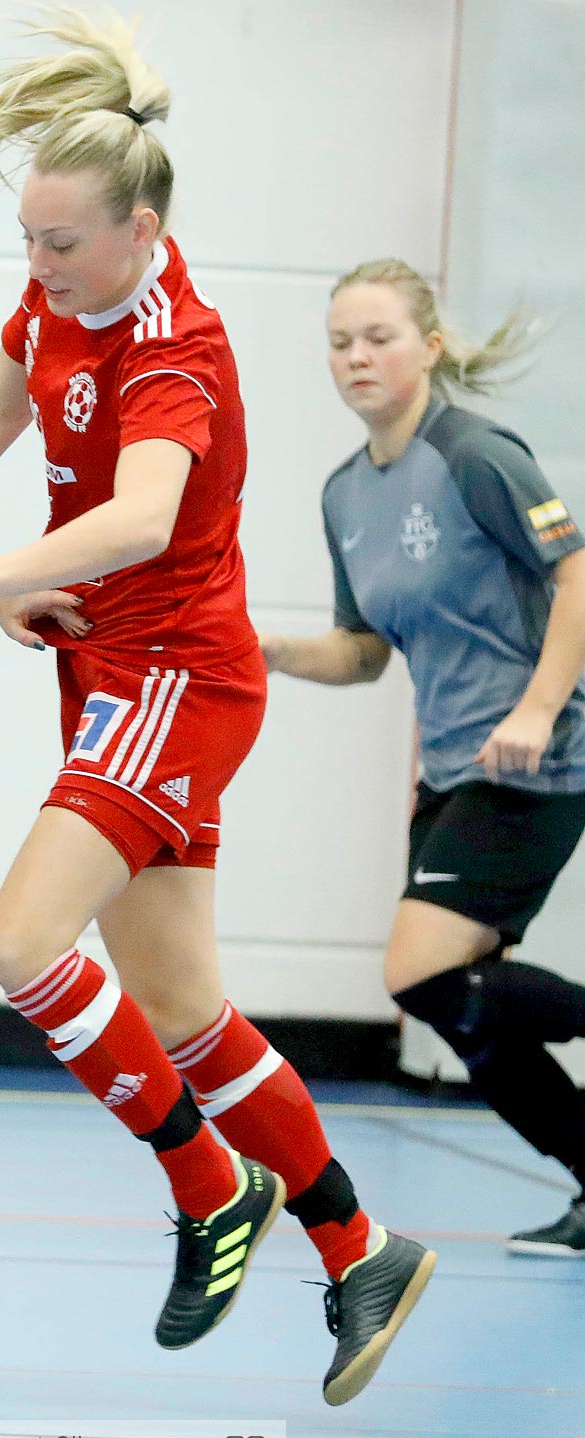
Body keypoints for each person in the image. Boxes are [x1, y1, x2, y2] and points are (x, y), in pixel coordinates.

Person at [0, 10, 434, 1405]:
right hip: (110, 678)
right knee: (180, 1009)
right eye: (26, 241)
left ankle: (211, 1183)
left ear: (141, 228)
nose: (34, 267)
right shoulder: (57, 299)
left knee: (24, 941)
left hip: (176, 681)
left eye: (59, 244)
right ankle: (362, 1246)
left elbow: (140, 513)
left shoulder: (176, 349)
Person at [263, 257, 585, 1257]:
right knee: (467, 1007)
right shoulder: (344, 495)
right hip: (451, 768)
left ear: (430, 347)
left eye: (380, 337)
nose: (357, 357)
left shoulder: (476, 453)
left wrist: (536, 707)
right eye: (340, 341)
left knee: (418, 971)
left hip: (541, 758)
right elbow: (362, 652)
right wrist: (257, 647)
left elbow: (576, 574)